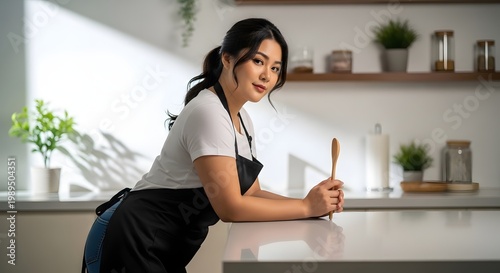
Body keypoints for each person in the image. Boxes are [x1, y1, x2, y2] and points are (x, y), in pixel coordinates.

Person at [94, 17, 344, 273]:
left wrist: (310, 204)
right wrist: (306, 207)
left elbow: (250, 193)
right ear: (227, 58)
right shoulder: (209, 112)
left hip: (163, 246)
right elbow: (230, 207)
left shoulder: (241, 118)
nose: (266, 75)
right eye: (258, 61)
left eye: (276, 68)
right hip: (137, 238)